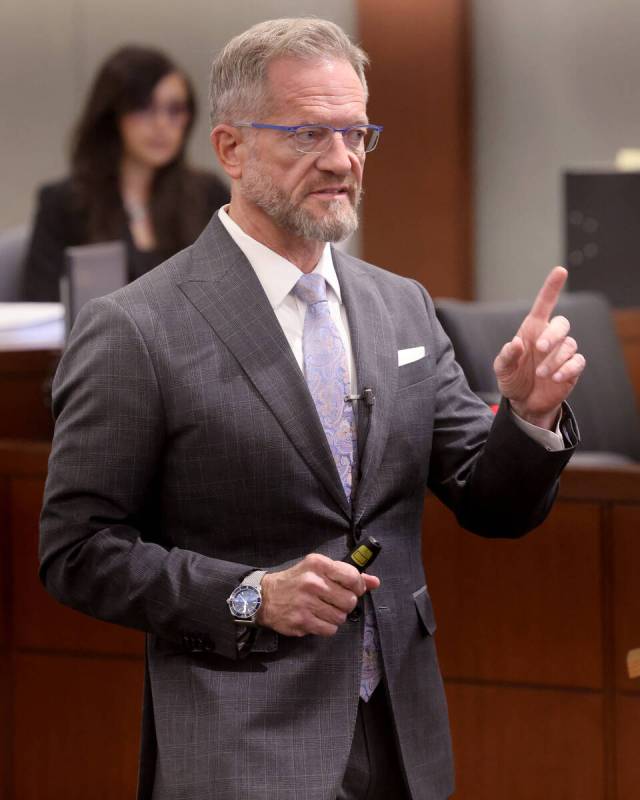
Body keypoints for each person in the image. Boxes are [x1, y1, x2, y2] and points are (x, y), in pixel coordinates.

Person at [39, 18, 585, 800]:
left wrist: (528, 419)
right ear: (231, 149)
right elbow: (77, 552)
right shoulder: (138, 328)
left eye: (357, 133)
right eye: (308, 134)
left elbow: (492, 503)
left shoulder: (401, 307)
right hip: (241, 746)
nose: (342, 162)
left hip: (404, 739)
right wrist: (252, 595)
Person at [22, 44, 228, 302]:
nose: (162, 124)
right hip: (104, 341)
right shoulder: (65, 202)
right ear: (113, 115)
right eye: (145, 108)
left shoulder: (208, 194)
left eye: (175, 109)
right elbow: (41, 305)